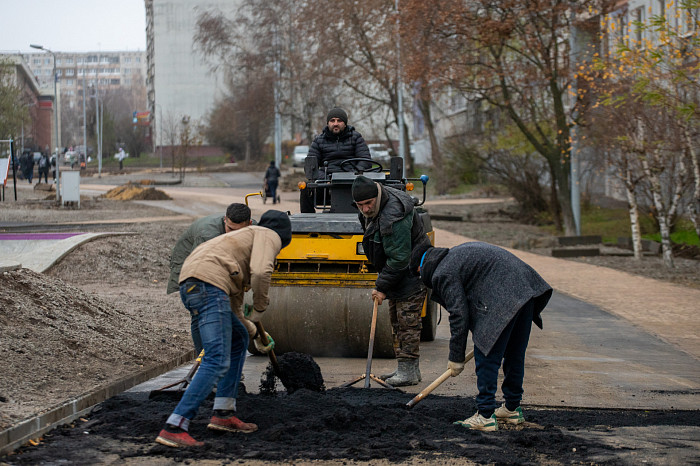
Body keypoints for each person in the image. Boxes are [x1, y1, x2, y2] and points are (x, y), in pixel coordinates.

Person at [156, 210, 292, 448]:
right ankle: (175, 426)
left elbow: (236, 310)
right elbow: (262, 272)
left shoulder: (236, 247)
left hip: (194, 283)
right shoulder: (268, 234)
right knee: (217, 358)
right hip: (208, 285)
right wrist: (260, 306)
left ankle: (224, 413)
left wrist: (255, 333)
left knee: (238, 339)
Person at [410, 241, 552, 431]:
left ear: (421, 267)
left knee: (486, 353)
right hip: (525, 290)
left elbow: (459, 315)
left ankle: (485, 415)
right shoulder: (455, 256)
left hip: (506, 296)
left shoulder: (442, 272)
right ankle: (511, 408)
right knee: (514, 354)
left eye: (419, 275)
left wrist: (456, 357)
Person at [352, 175, 431, 386]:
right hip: (398, 270)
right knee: (397, 321)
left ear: (377, 196)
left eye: (368, 204)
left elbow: (399, 259)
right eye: (360, 205)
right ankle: (408, 371)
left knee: (408, 322)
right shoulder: (376, 205)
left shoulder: (393, 216)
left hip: (411, 271)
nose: (365, 209)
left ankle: (408, 371)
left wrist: (381, 286)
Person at [168, 203, 253, 354]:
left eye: (239, 231)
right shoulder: (208, 235)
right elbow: (205, 269)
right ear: (225, 220)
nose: (234, 235)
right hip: (192, 264)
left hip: (216, 264)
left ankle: (224, 362)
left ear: (250, 223)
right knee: (200, 310)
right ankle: (205, 359)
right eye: (230, 229)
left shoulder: (255, 230)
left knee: (225, 312)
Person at [300, 107, 372, 213]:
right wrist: (325, 178)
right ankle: (307, 225)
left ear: (345, 123)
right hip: (327, 183)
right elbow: (311, 166)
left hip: (352, 182)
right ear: (328, 123)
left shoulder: (356, 138)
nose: (335, 123)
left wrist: (356, 175)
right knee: (306, 188)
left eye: (339, 120)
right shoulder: (319, 140)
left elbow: (365, 160)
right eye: (332, 120)